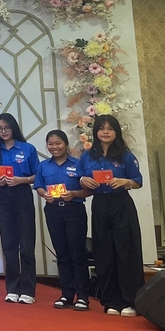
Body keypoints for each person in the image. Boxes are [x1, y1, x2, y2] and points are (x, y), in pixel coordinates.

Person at [79, 115, 144, 317]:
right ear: (96, 132)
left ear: (116, 132)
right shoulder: (88, 156)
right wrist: (83, 180)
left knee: (126, 251)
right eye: (102, 128)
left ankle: (130, 301)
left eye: (110, 128)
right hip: (99, 205)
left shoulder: (125, 155)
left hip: (121, 204)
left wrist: (125, 182)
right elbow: (80, 178)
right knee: (104, 253)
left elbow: (138, 181)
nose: (105, 132)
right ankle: (110, 301)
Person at [35, 130, 91, 311]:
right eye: (50, 144)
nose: (54, 147)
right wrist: (44, 195)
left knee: (77, 253)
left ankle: (83, 296)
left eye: (58, 143)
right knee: (62, 253)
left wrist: (73, 194)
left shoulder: (78, 164)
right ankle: (66, 294)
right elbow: (39, 186)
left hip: (74, 210)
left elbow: (88, 190)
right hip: (53, 211)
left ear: (66, 145)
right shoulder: (43, 166)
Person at [0, 113, 39, 304]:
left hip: (22, 194)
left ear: (13, 128)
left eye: (7, 128)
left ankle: (28, 290)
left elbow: (37, 175)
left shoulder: (27, 148)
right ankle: (12, 288)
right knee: (8, 243)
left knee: (26, 243)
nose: (4, 131)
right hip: (3, 196)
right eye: (0, 129)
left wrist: (21, 180)